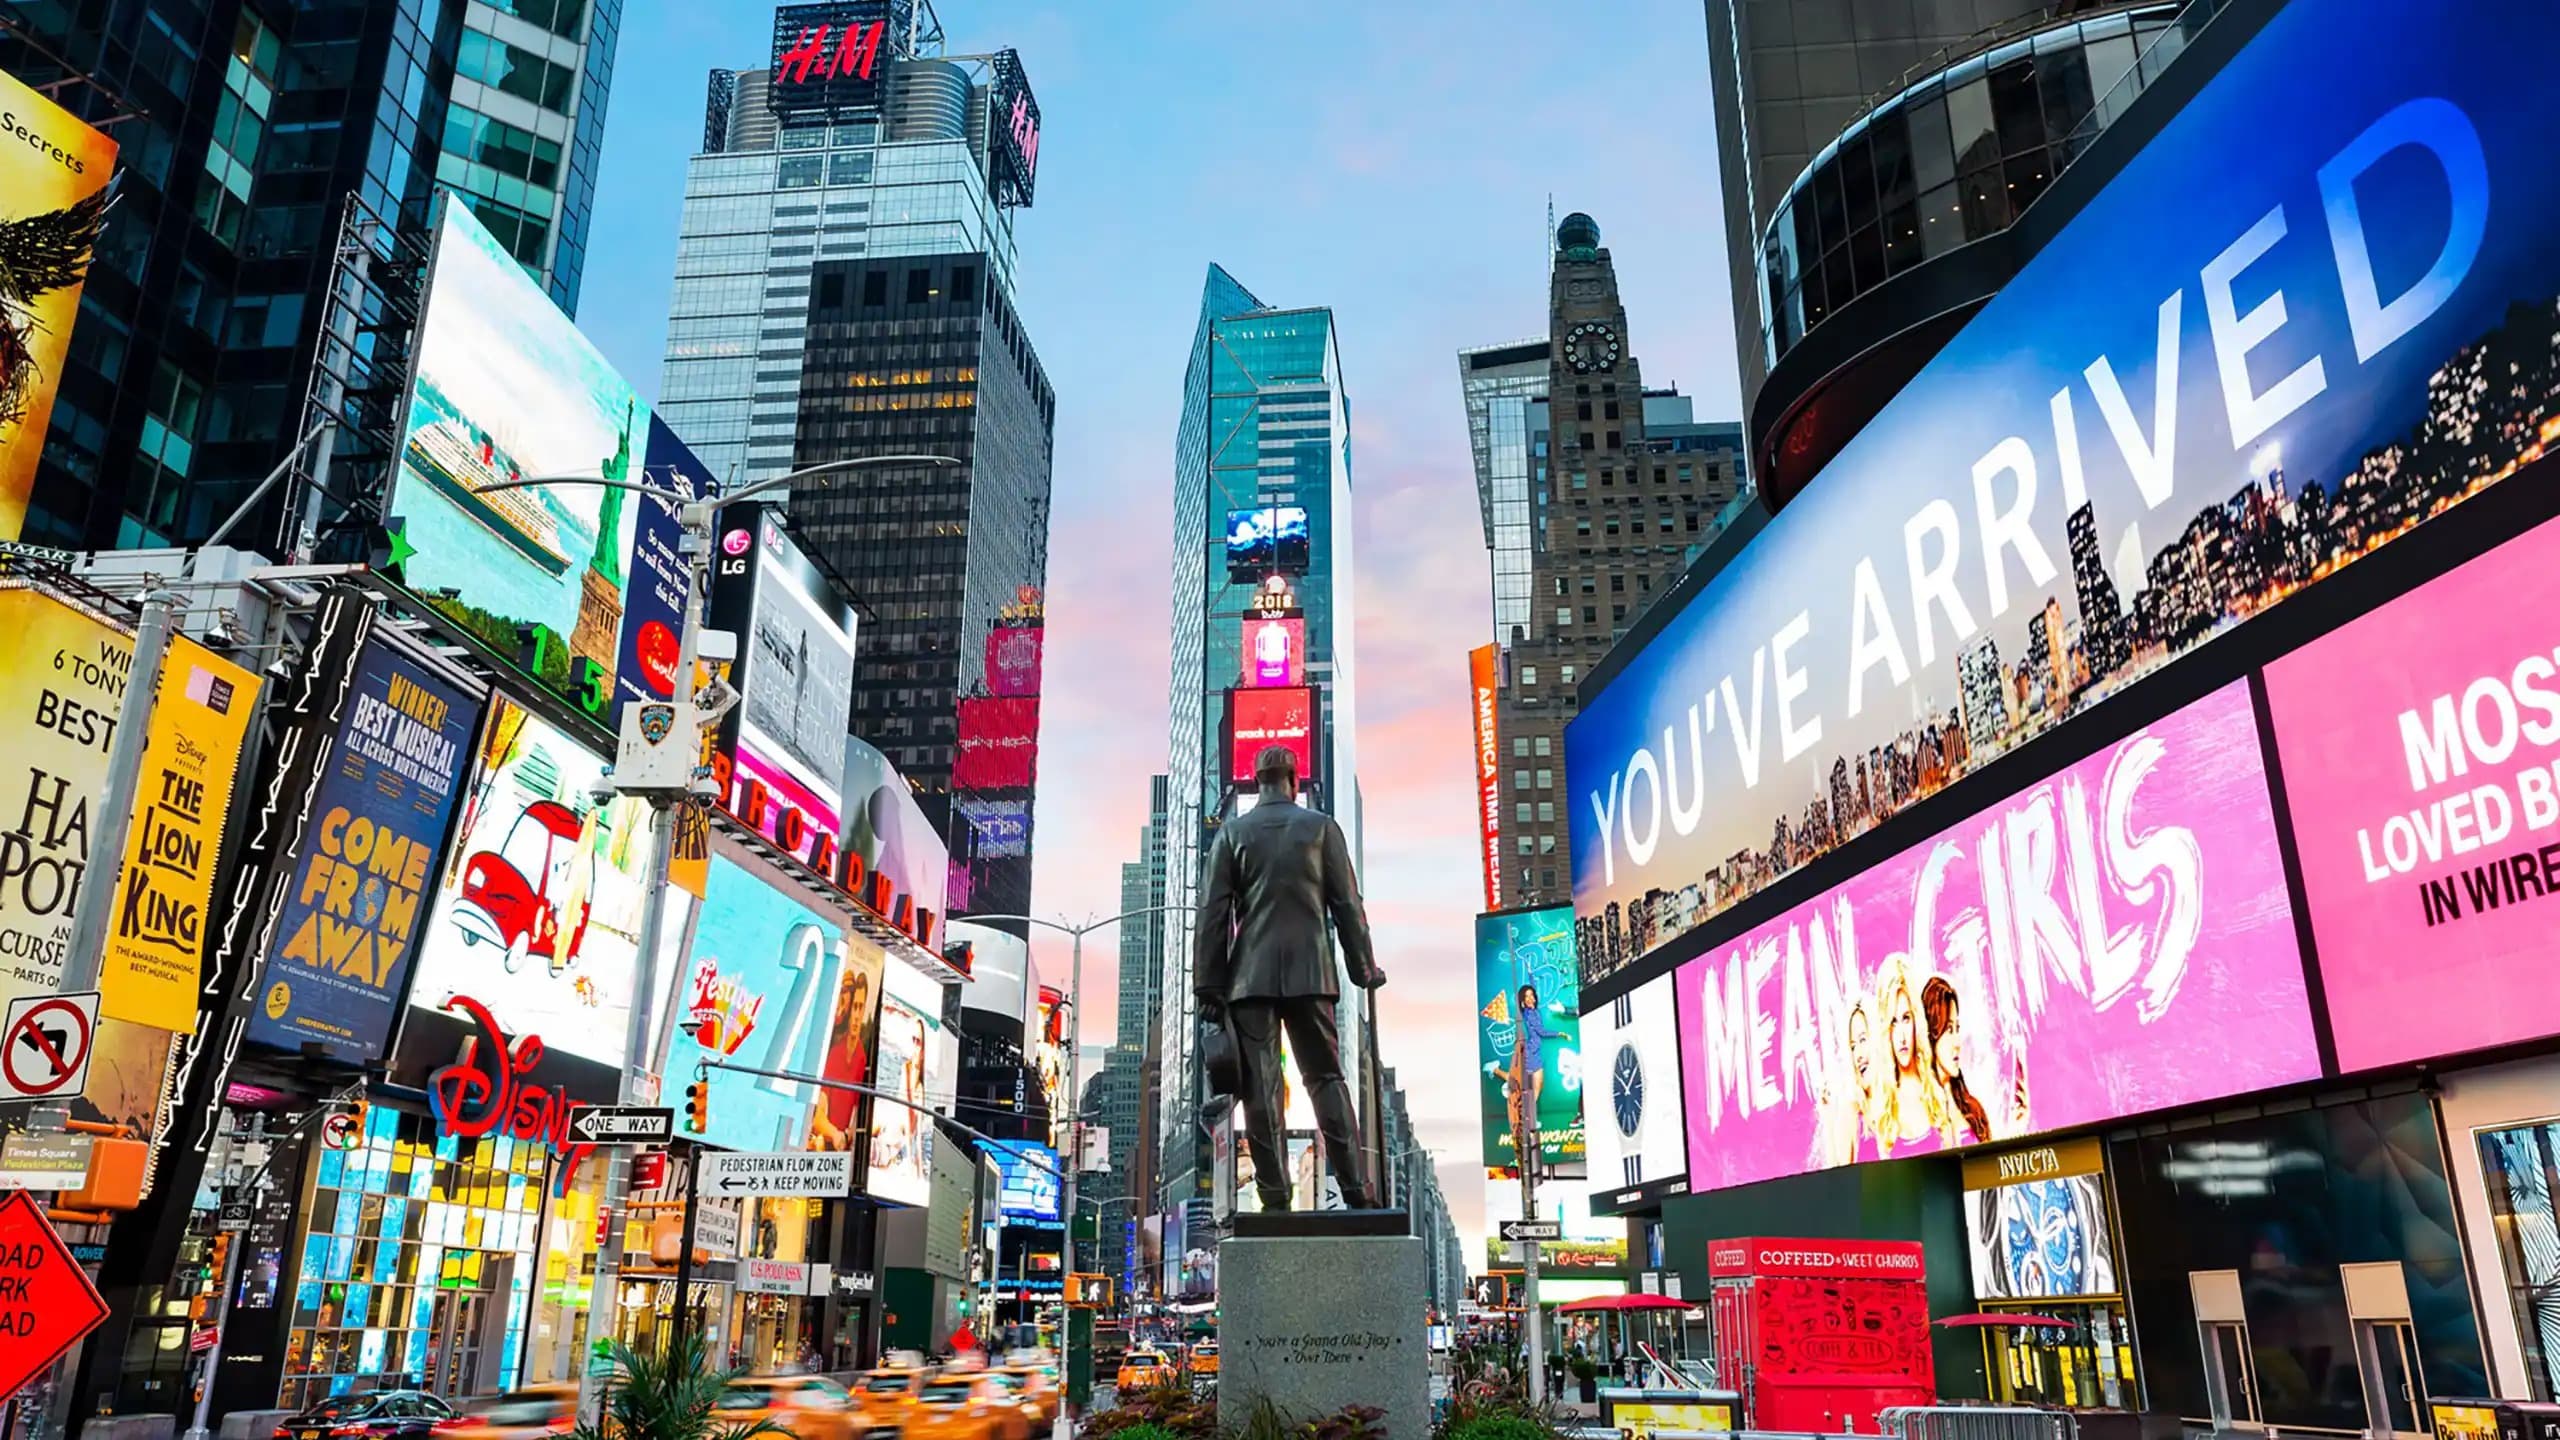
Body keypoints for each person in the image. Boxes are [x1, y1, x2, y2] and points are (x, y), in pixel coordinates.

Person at [1194, 745, 1387, 1210]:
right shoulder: (1321, 829)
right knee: (1325, 1079)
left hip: (1249, 980)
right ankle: (1358, 1192)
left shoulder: (1232, 835)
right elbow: (1347, 907)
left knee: (1261, 1090)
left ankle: (1275, 1196)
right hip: (1310, 975)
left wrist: (1209, 987)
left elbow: (1211, 916)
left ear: (1256, 782)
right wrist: (1364, 968)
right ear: (1294, 780)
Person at [1920, 975, 1993, 1143]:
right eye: (1949, 1029)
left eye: (1957, 1028)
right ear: (1932, 1033)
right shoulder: (1919, 1116)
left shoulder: (1974, 1110)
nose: (1958, 1042)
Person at [1509, 981, 1548, 1158]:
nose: (1531, 998)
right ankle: (1529, 1120)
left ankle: (1529, 1118)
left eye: (1532, 995)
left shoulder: (1533, 1011)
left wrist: (1531, 972)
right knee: (1534, 1087)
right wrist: (1560, 1033)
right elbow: (1541, 1031)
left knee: (1536, 1087)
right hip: (1531, 1052)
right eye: (1527, 996)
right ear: (1523, 1001)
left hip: (1534, 1051)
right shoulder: (1528, 1014)